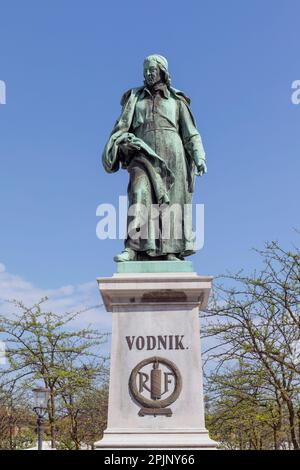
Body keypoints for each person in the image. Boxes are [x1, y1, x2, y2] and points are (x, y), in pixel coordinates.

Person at [102, 54, 207, 262]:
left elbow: (191, 133)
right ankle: (133, 248)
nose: (149, 73)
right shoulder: (134, 98)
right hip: (143, 153)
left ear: (163, 72)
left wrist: (199, 155)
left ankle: (171, 251)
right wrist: (121, 142)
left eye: (153, 69)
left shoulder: (177, 101)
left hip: (173, 154)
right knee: (139, 193)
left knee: (173, 202)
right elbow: (121, 128)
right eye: (146, 70)